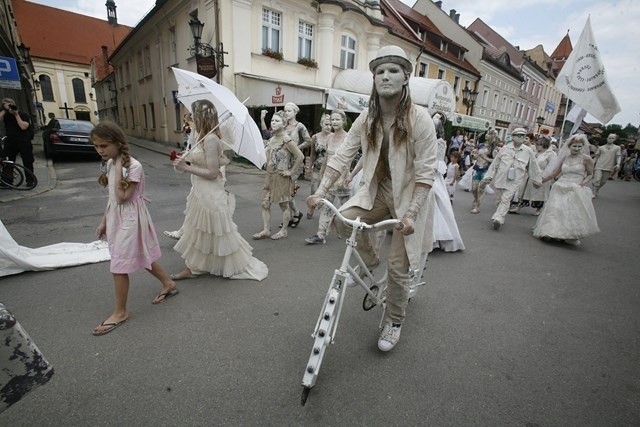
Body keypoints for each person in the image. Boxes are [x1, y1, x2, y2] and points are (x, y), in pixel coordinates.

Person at [307, 45, 437, 351]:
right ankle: (369, 258)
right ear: (374, 78)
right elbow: (342, 156)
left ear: (406, 77)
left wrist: (410, 215)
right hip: (377, 192)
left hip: (409, 198)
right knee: (343, 220)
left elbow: (425, 174)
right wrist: (320, 192)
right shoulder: (366, 118)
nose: (386, 76)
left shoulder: (420, 120)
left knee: (398, 269)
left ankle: (393, 321)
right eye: (380, 71)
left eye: (393, 71)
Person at [91, 122, 178, 336]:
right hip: (116, 217)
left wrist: (120, 169)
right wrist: (104, 220)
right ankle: (169, 283)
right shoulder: (112, 163)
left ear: (118, 143)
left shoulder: (133, 166)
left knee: (119, 264)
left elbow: (122, 198)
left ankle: (120, 312)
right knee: (140, 254)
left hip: (130, 219)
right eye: (96, 146)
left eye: (104, 145)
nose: (100, 150)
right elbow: (112, 198)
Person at [170, 100, 268, 281]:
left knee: (214, 232)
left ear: (202, 116)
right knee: (198, 231)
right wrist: (182, 163)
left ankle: (198, 268)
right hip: (198, 191)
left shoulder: (211, 139)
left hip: (210, 193)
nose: (191, 117)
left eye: (194, 114)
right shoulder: (199, 135)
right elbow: (193, 162)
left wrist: (186, 167)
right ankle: (194, 267)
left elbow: (212, 173)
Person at [533, 134, 599, 245]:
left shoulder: (586, 159)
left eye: (579, 146)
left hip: (575, 187)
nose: (577, 149)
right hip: (560, 186)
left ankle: (569, 235)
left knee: (570, 212)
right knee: (555, 210)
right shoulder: (565, 158)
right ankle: (550, 231)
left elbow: (590, 174)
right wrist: (541, 181)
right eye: (574, 146)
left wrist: (583, 182)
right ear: (569, 146)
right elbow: (554, 173)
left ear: (583, 147)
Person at [253, 111, 304, 241]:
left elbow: (300, 156)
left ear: (284, 123)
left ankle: (284, 230)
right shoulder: (271, 139)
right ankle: (266, 229)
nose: (273, 123)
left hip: (281, 177)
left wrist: (290, 172)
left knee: (284, 205)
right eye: (272, 121)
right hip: (269, 176)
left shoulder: (286, 139)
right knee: (264, 203)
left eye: (277, 121)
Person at [305, 110, 351, 245]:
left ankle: (354, 235)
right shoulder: (330, 137)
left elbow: (348, 160)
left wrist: (344, 177)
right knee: (326, 205)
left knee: (347, 209)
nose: (334, 122)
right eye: (333, 120)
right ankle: (320, 235)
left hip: (342, 177)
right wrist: (322, 175)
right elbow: (326, 158)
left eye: (337, 119)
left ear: (344, 121)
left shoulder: (348, 137)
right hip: (329, 178)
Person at [483, 127, 541, 230]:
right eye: (518, 135)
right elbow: (495, 163)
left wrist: (536, 180)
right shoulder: (505, 148)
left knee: (506, 199)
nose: (521, 138)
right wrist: (489, 176)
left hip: (515, 180)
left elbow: (533, 166)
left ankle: (499, 218)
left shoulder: (528, 151)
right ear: (513, 137)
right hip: (501, 178)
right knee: (498, 200)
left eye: (523, 136)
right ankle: (499, 214)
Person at [428, 112, 464, 252]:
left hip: (432, 176)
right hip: (431, 175)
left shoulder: (440, 143)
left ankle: (434, 238)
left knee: (435, 206)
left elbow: (439, 164)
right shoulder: (436, 141)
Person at [283, 102, 312, 227]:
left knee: (288, 191)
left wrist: (297, 148)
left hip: (296, 162)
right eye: (285, 111)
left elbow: (309, 141)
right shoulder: (283, 126)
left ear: (295, 112)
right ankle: (292, 215)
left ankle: (294, 214)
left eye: (289, 111)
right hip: (284, 162)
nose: (286, 113)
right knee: (285, 192)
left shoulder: (300, 126)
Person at [513, 137, 557, 215]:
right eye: (536, 144)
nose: (536, 146)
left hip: (542, 175)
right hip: (530, 174)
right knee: (525, 190)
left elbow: (551, 166)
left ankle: (538, 209)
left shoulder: (551, 154)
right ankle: (518, 207)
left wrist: (544, 177)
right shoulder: (535, 153)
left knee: (539, 193)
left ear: (544, 145)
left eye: (538, 145)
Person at [0, 98, 34, 187]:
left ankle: (30, 180)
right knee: (8, 162)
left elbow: (23, 127)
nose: (8, 106)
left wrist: (16, 114)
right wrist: (4, 110)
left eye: (9, 104)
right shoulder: (5, 115)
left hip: (23, 141)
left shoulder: (23, 114)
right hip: (10, 142)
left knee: (27, 161)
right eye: (5, 104)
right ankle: (7, 181)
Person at [306, 114, 331, 219]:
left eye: (330, 124)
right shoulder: (315, 137)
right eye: (326, 124)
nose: (328, 127)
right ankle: (311, 208)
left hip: (329, 169)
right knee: (314, 189)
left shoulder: (333, 137)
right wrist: (309, 167)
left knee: (327, 191)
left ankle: (325, 213)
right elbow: (312, 154)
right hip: (317, 167)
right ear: (321, 124)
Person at [470, 129, 495, 214]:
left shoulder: (493, 148)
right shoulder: (480, 145)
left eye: (489, 134)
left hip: (486, 170)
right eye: (487, 133)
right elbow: (475, 154)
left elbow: (495, 160)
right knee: (474, 188)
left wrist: (485, 158)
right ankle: (476, 199)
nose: (487, 135)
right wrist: (474, 156)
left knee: (481, 189)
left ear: (493, 136)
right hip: (477, 168)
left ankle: (477, 206)